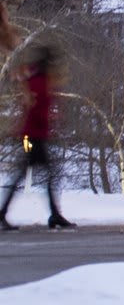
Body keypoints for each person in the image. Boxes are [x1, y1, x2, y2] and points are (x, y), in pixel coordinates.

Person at [0, 46, 70, 230]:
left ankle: (53, 214)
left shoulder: (38, 80)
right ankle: (54, 215)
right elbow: (36, 109)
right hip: (34, 136)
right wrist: (50, 120)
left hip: (33, 136)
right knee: (46, 174)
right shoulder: (39, 82)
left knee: (30, 175)